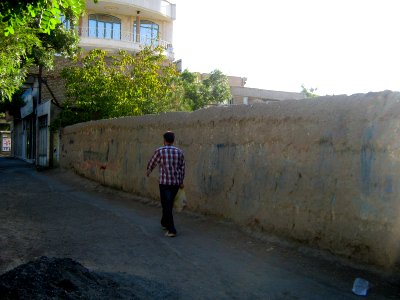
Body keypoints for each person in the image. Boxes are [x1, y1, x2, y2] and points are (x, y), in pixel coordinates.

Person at [146, 131, 185, 237]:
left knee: (166, 204)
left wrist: (149, 170)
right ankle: (164, 222)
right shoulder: (179, 152)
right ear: (173, 140)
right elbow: (182, 168)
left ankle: (172, 229)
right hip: (175, 183)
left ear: (164, 140)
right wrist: (181, 181)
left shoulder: (160, 151)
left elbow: (152, 162)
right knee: (168, 204)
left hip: (164, 183)